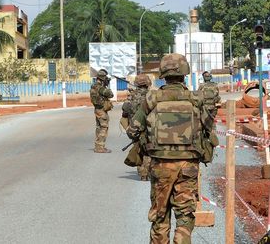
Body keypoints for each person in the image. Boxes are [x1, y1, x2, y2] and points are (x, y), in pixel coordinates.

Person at [127, 53, 215, 244]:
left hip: (160, 167)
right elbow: (210, 128)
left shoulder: (152, 99)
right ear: (185, 73)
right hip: (188, 166)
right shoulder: (195, 99)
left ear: (162, 74)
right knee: (184, 216)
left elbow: (132, 130)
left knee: (160, 216)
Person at [121, 74, 152, 181]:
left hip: (134, 129)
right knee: (148, 150)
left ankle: (141, 170)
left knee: (138, 148)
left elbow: (124, 113)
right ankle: (146, 172)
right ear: (148, 84)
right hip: (150, 129)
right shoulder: (152, 96)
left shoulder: (130, 98)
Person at [90, 69, 114, 153]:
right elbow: (111, 94)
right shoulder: (100, 88)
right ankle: (100, 147)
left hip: (97, 109)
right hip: (101, 110)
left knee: (98, 127)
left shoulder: (94, 86)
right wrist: (106, 86)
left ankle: (97, 146)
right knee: (104, 127)